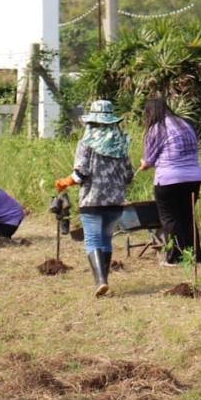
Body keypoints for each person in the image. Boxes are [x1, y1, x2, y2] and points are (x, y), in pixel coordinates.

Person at [55, 100, 135, 297]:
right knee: (106, 239)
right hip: (115, 202)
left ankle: (101, 281)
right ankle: (104, 279)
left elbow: (81, 174)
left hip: (92, 200)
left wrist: (65, 182)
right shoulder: (122, 144)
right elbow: (128, 176)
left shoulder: (87, 143)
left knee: (92, 239)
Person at [139, 97, 201, 266]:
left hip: (169, 179)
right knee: (187, 216)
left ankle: (175, 257)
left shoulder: (157, 128)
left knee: (170, 218)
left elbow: (148, 161)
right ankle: (194, 256)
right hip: (194, 178)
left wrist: (143, 164)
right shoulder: (186, 124)